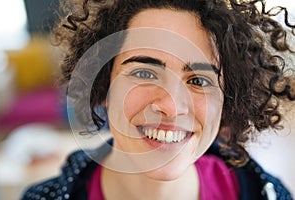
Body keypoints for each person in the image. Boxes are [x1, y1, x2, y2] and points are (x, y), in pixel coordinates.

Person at [21, 0, 295, 199]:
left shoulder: (269, 194)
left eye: (198, 81)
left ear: (227, 103)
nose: (171, 107)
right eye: (144, 72)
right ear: (103, 86)